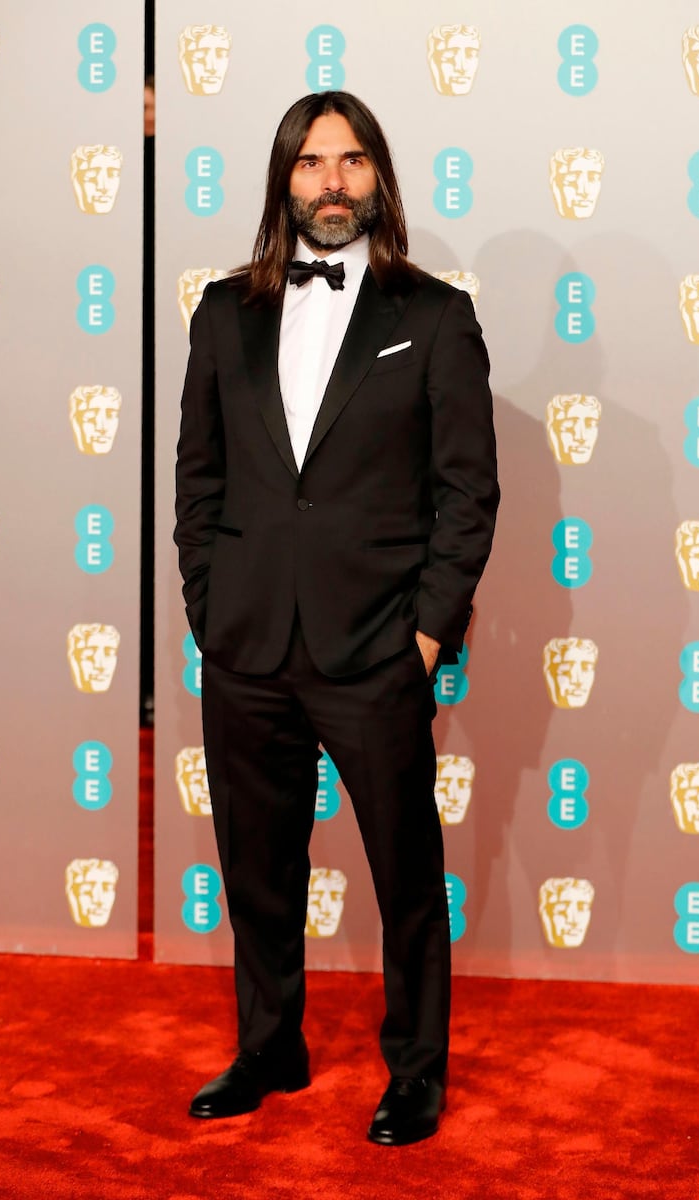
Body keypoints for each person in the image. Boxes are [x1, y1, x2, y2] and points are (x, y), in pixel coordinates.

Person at [174, 90, 499, 1146]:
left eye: (352, 162)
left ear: (378, 179)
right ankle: (270, 1045)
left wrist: (426, 633)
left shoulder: (435, 317)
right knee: (255, 868)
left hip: (374, 649)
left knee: (405, 876)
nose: (331, 181)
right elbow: (199, 482)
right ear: (284, 179)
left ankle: (414, 1071)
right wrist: (209, 613)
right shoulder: (222, 313)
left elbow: (466, 493)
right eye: (312, 163)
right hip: (247, 646)